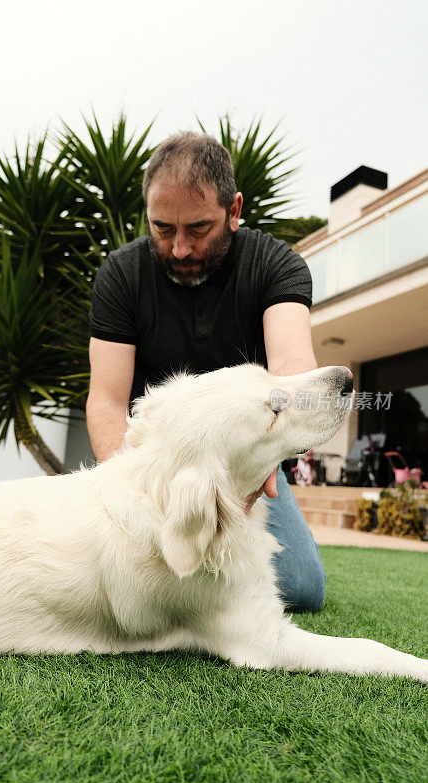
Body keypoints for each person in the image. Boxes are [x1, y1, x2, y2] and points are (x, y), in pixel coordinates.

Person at [86, 132, 326, 613]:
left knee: (301, 586)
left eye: (197, 228)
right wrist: (135, 487)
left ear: (234, 210)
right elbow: (107, 402)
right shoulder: (121, 274)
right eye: (161, 228)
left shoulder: (277, 265)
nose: (177, 248)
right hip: (148, 459)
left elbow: (293, 370)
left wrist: (266, 460)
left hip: (240, 461)